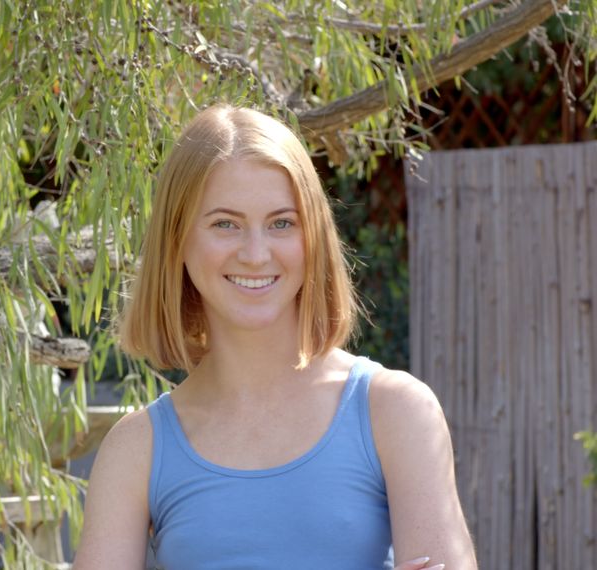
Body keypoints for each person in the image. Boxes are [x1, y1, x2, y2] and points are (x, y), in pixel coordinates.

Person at [72, 105, 477, 569]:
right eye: (225, 224)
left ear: (313, 238)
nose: (256, 253)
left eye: (282, 222)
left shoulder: (396, 411)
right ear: (177, 240)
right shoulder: (136, 448)